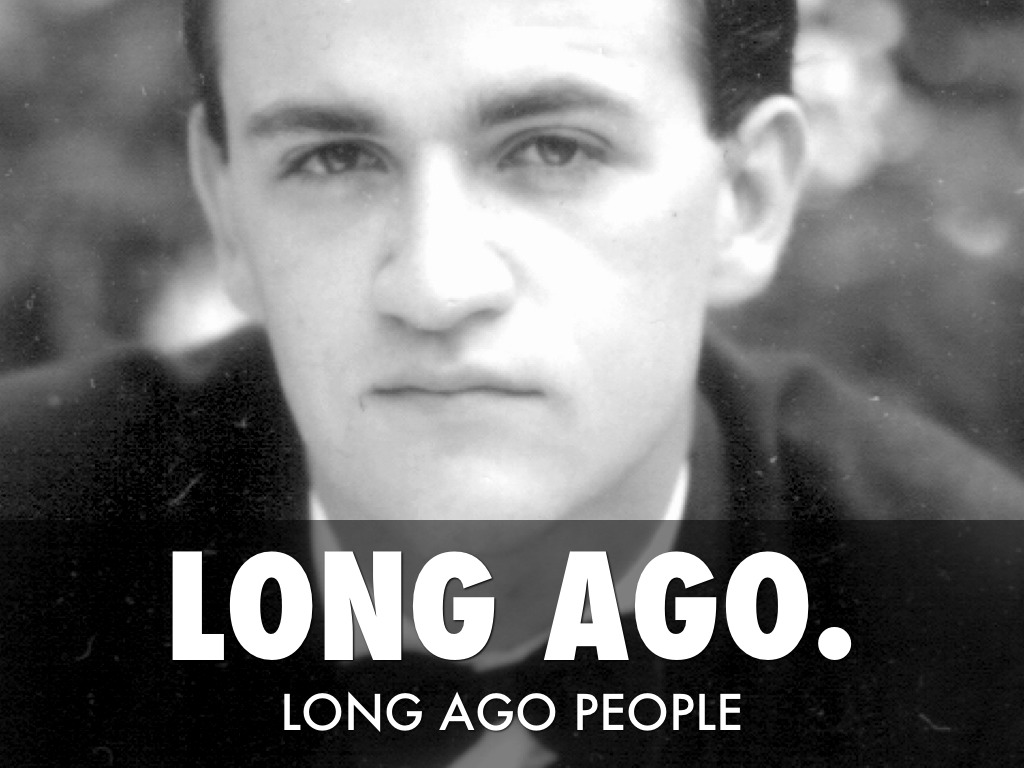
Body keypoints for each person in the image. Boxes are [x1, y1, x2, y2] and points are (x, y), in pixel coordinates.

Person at [2, 0, 1024, 765]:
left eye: (553, 149)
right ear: (227, 211)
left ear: (746, 197)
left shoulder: (979, 641)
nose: (435, 286)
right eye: (333, 159)